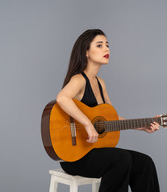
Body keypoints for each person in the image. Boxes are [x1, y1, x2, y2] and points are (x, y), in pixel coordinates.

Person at [56, 29, 160, 192]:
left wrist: (140, 126)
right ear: (87, 53)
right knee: (121, 158)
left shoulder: (100, 83)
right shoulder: (78, 79)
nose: (106, 49)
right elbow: (62, 98)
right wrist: (88, 124)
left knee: (144, 163)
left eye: (107, 45)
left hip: (96, 152)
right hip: (76, 156)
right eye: (99, 45)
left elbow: (111, 117)